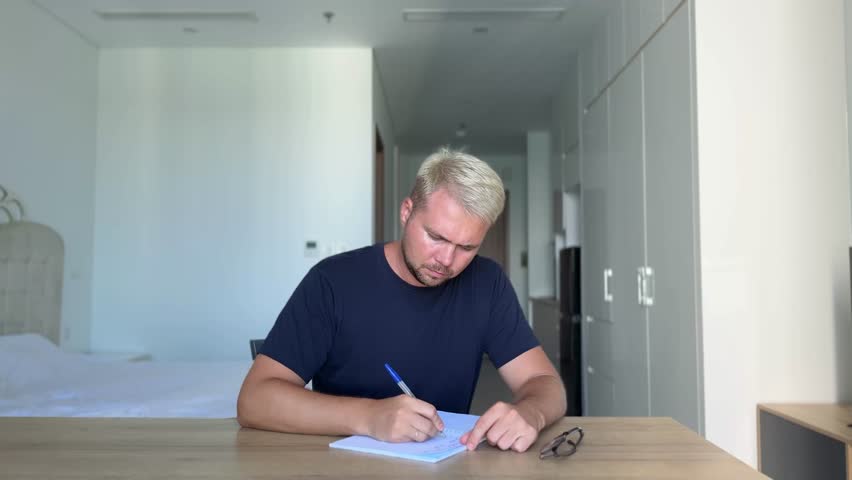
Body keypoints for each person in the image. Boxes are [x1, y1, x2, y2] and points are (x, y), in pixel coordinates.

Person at [237, 148, 566, 453]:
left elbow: (544, 383)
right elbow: (254, 399)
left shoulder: (487, 283)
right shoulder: (333, 282)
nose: (447, 260)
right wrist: (370, 416)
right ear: (406, 212)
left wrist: (530, 413)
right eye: (436, 237)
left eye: (467, 248)